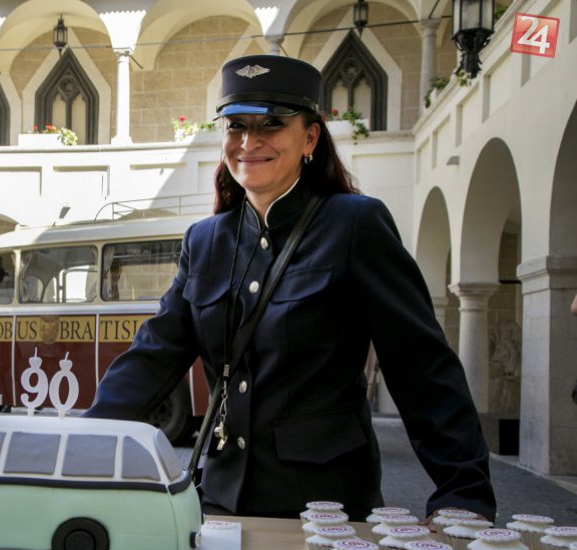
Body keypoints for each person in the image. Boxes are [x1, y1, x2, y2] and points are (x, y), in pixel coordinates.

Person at [85, 55, 497, 523]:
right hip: (222, 499)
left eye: (271, 125)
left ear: (310, 137)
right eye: (235, 126)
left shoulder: (354, 225)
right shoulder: (206, 241)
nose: (248, 142)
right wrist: (82, 446)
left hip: (326, 510)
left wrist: (464, 492)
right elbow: (153, 354)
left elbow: (420, 366)